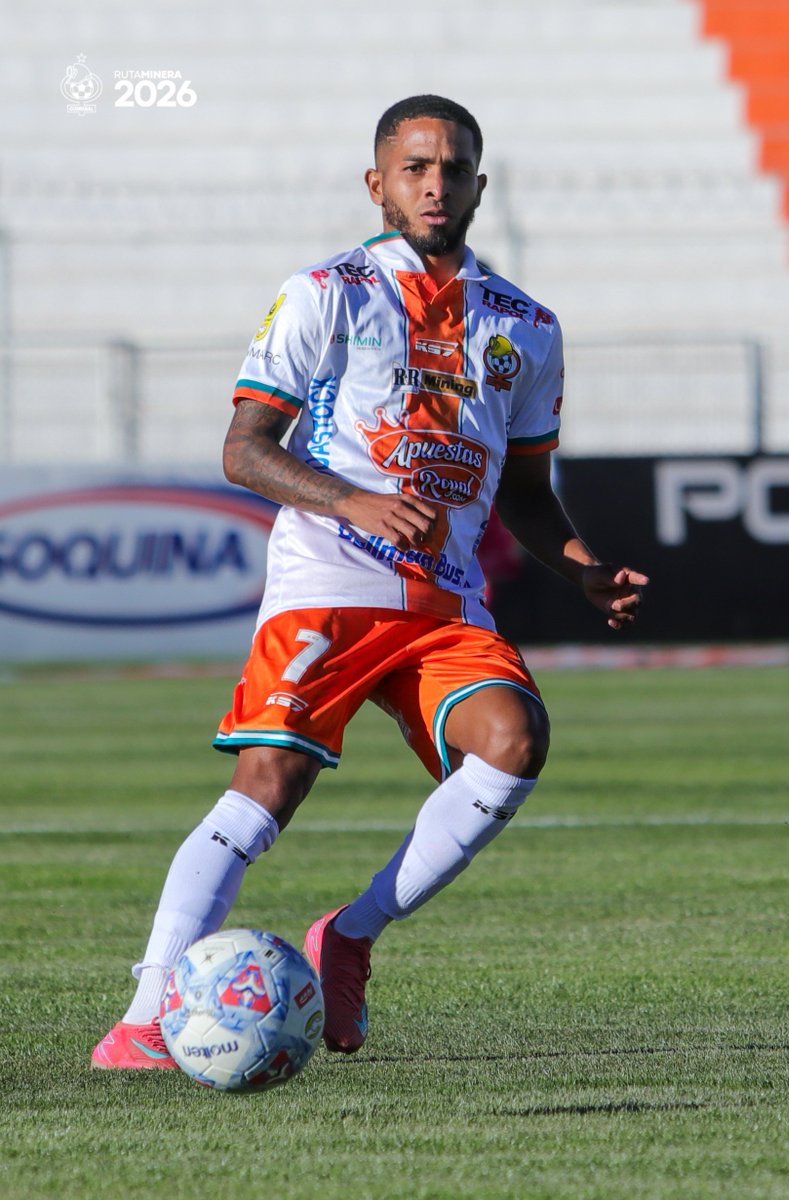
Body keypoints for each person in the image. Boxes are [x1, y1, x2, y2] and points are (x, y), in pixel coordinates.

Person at [91, 94, 648, 1069]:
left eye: (455, 168)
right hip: (327, 580)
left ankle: (349, 934)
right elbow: (244, 451)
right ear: (378, 182)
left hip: (442, 603)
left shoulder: (528, 326)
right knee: (271, 783)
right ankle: (143, 1018)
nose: (437, 184)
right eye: (416, 167)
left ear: (481, 183)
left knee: (514, 744)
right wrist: (352, 502)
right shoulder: (326, 292)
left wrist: (584, 571)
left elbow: (524, 490)